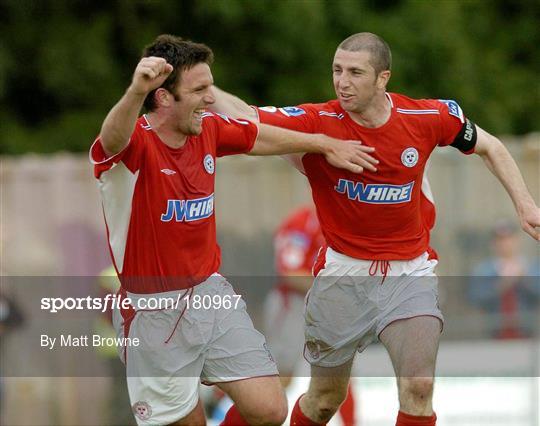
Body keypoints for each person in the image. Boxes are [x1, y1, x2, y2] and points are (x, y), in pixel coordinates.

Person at [211, 32, 540, 426]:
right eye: (337, 70)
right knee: (323, 401)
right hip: (344, 274)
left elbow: (492, 147)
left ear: (383, 78)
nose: (342, 82)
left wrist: (525, 205)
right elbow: (248, 117)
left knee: (418, 388)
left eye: (355, 72)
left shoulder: (427, 117)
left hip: (410, 272)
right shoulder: (319, 122)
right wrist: (207, 89)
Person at [90, 34, 376, 426]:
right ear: (163, 98)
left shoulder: (206, 129)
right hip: (152, 311)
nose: (211, 98)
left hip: (210, 294)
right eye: (200, 89)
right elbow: (111, 139)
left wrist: (322, 143)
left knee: (269, 408)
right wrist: (135, 91)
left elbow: (258, 135)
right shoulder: (135, 144)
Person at [264, 205, 357, 425]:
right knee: (281, 377)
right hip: (294, 305)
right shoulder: (300, 224)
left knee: (341, 376)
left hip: (331, 308)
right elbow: (290, 273)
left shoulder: (349, 222)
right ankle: (223, 399)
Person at [468, 221, 540, 339]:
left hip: (527, 336)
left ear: (517, 241)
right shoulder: (483, 270)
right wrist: (502, 285)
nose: (505, 244)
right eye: (500, 240)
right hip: (494, 335)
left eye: (508, 239)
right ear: (493, 243)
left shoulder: (532, 267)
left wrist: (524, 279)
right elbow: (476, 298)